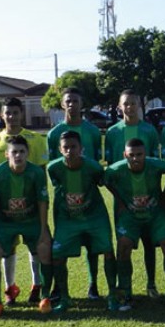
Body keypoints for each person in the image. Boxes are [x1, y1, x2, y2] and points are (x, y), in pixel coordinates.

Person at [0, 97, 48, 305]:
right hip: (5, 212)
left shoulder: (35, 139)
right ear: (1, 115)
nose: (11, 116)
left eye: (15, 112)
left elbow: (40, 173)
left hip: (29, 210)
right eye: (8, 113)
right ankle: (8, 287)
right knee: (6, 249)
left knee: (37, 247)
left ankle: (36, 285)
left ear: (21, 114)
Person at [46, 131, 116, 313]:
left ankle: (113, 295)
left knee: (107, 251)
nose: (70, 150)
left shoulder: (93, 167)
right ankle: (65, 297)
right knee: (58, 255)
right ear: (60, 150)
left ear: (81, 148)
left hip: (95, 216)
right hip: (67, 219)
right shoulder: (53, 168)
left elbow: (103, 182)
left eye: (73, 147)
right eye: (66, 147)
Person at [105, 137, 165, 308]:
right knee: (123, 246)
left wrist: (164, 193)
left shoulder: (155, 165)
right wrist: (120, 200)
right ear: (125, 155)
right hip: (130, 216)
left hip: (155, 214)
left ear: (146, 154)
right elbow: (105, 179)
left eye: (139, 154)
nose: (136, 158)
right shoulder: (117, 169)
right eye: (131, 155)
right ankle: (125, 293)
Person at [104, 89, 161, 297]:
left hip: (149, 198)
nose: (129, 107)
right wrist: (120, 198)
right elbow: (110, 171)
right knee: (123, 244)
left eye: (133, 103)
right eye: (125, 104)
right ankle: (124, 286)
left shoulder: (149, 131)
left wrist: (154, 195)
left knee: (149, 242)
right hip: (123, 201)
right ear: (119, 106)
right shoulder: (112, 133)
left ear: (139, 105)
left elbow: (154, 166)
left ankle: (152, 284)